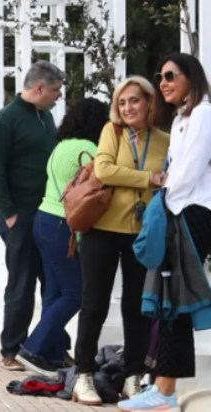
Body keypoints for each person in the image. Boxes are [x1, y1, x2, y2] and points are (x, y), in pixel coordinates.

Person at [118, 53, 211, 411]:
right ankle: (164, 389)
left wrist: (166, 201)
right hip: (180, 209)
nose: (164, 82)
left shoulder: (202, 114)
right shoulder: (186, 116)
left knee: (173, 300)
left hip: (191, 211)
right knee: (172, 302)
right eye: (161, 77)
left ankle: (166, 392)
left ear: (191, 77)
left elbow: (187, 170)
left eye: (171, 75)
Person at [72, 76, 170, 406]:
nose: (128, 107)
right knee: (94, 304)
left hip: (143, 235)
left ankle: (132, 378)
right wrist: (149, 179)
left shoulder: (165, 140)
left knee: (136, 309)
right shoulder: (111, 133)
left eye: (134, 101)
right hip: (101, 230)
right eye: (122, 102)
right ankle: (82, 375)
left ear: (149, 103)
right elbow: (104, 170)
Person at [14, 98, 110, 376]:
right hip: (61, 225)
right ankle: (32, 349)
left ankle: (51, 354)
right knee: (74, 293)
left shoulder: (60, 147)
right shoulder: (89, 149)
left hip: (43, 220)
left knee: (55, 293)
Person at [0, 61, 65, 371]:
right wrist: (11, 214)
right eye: (55, 90)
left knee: (55, 283)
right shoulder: (6, 120)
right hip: (20, 216)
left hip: (47, 214)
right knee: (22, 283)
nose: (58, 96)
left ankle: (50, 348)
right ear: (40, 88)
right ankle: (11, 350)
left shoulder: (46, 117)